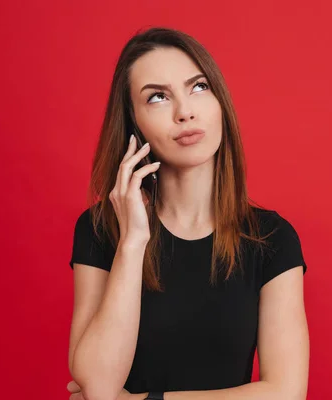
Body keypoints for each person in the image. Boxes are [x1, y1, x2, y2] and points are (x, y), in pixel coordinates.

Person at [67, 26, 309, 400]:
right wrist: (133, 242)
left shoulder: (271, 238)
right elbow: (98, 387)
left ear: (219, 103)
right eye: (158, 97)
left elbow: (286, 393)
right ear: (134, 124)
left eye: (198, 87)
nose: (185, 112)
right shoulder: (101, 230)